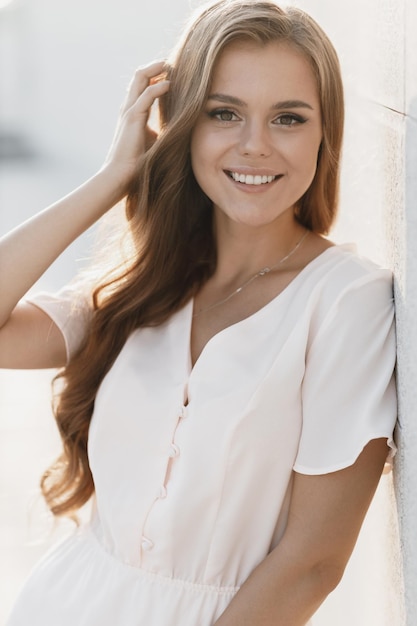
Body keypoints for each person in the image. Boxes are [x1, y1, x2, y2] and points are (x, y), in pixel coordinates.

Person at [1, 0, 397, 624]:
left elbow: (312, 564)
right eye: (223, 113)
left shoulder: (347, 301)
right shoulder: (145, 288)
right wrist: (115, 175)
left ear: (326, 134)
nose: (254, 146)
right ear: (184, 125)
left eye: (288, 118)